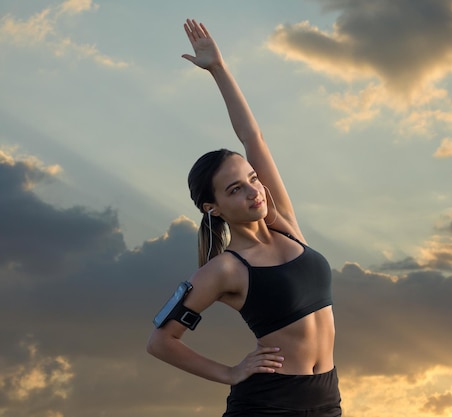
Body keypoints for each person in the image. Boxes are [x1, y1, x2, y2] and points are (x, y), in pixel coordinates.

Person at [146, 19, 342, 417]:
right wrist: (231, 372)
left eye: (252, 179)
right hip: (268, 404)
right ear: (212, 208)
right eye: (235, 189)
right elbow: (161, 342)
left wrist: (219, 69)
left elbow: (253, 138)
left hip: (325, 399)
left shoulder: (283, 221)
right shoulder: (225, 269)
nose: (254, 191)